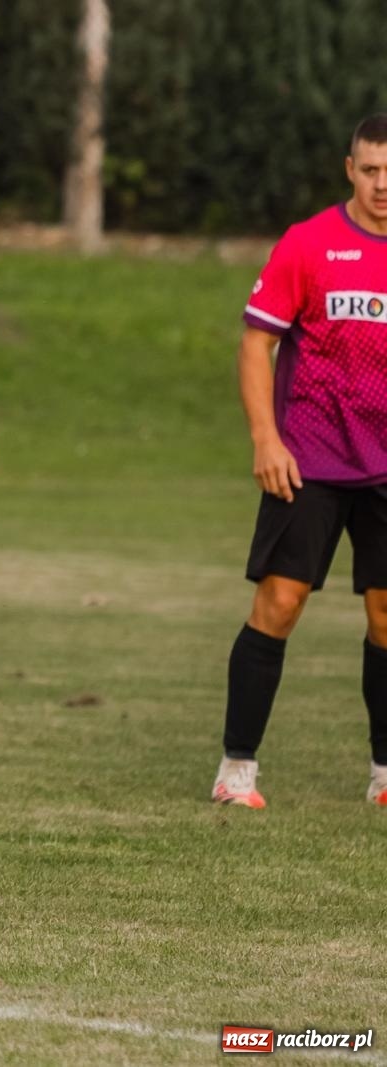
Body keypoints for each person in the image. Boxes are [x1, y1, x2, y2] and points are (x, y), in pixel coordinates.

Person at [212, 113, 387, 810]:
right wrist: (265, 437)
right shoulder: (309, 244)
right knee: (279, 604)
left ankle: (384, 774)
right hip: (308, 459)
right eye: (371, 169)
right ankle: (237, 769)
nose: (382, 184)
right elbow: (256, 344)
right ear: (350, 169)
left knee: (386, 616)